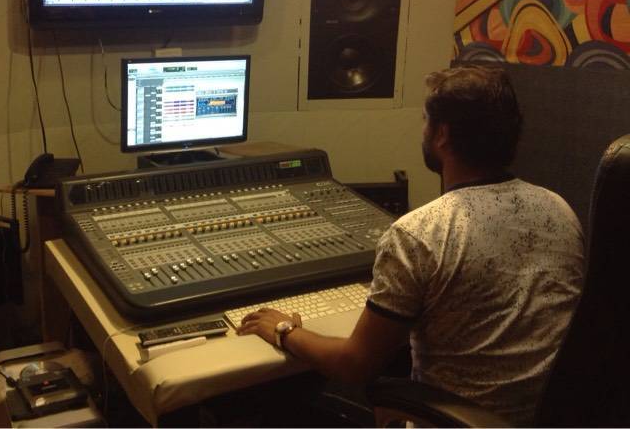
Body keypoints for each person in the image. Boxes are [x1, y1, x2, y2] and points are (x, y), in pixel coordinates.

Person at [237, 65, 585, 426]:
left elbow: (354, 365)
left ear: (442, 134)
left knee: (288, 404)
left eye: (425, 120)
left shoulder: (419, 233)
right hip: (549, 419)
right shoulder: (559, 210)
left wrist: (285, 330)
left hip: (450, 421)